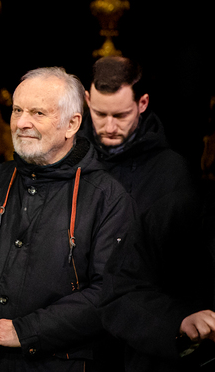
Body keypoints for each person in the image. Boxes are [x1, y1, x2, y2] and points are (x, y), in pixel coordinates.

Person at [0, 67, 133, 372]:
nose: (22, 123)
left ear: (72, 124)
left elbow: (109, 293)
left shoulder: (107, 198)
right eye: (17, 110)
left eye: (38, 113)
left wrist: (24, 332)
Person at [86, 57, 212, 371]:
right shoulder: (69, 159)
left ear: (142, 104)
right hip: (73, 335)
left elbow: (183, 276)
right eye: (100, 114)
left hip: (135, 344)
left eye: (120, 115)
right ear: (87, 100)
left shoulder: (171, 173)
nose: (109, 127)